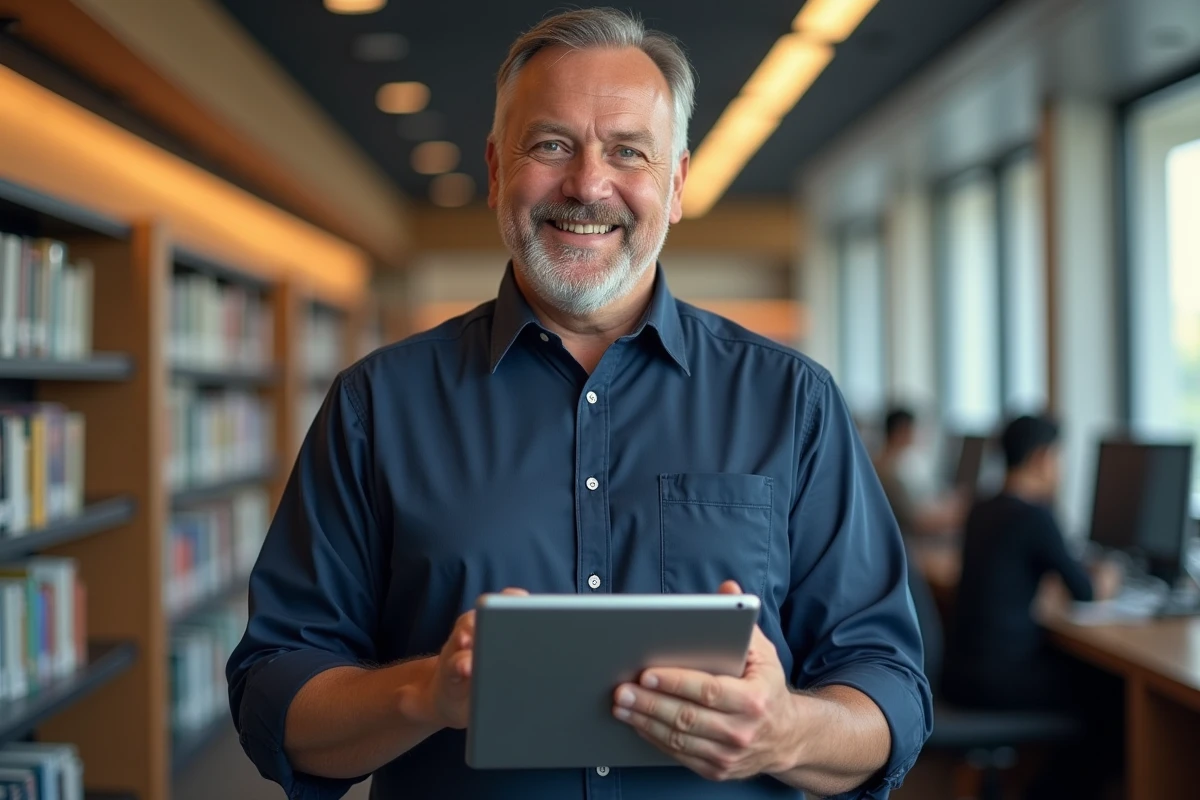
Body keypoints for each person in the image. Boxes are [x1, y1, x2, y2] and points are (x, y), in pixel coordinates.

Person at [225, 8, 931, 799]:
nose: (588, 184)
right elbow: (273, 694)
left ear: (677, 183)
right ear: (496, 170)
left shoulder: (793, 403)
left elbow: (889, 689)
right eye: (551, 144)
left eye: (627, 151)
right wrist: (427, 692)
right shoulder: (375, 406)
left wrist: (784, 733)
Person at [941, 414, 1123, 798]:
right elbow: (1085, 590)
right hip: (1001, 680)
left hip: (960, 672)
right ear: (1042, 457)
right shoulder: (1035, 515)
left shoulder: (982, 507)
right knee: (1111, 699)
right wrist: (1108, 578)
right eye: (1059, 457)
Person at [872, 406, 964, 540]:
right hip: (910, 542)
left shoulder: (886, 462)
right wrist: (958, 514)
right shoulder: (889, 473)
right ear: (901, 431)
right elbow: (917, 522)